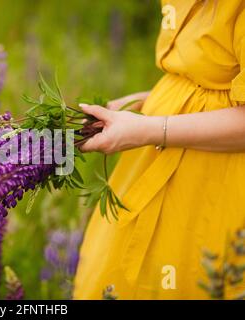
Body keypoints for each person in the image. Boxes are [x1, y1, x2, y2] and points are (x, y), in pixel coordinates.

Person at [74, 0, 245, 299]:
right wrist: (141, 103)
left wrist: (147, 129)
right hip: (155, 154)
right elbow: (206, 79)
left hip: (216, 181)